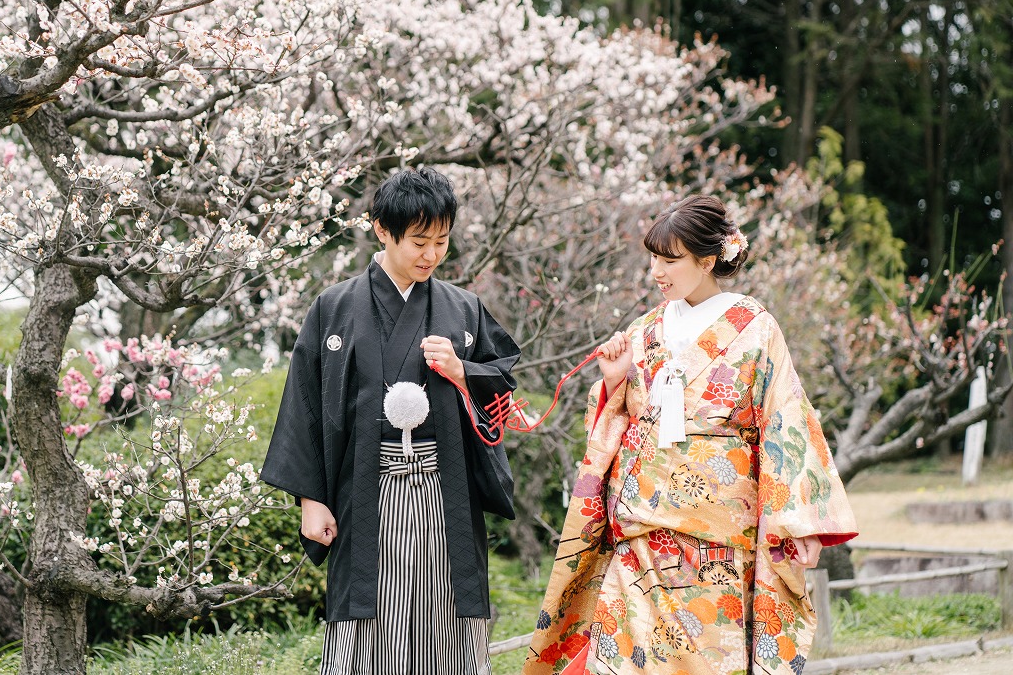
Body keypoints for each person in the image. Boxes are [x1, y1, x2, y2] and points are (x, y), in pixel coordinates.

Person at [524, 195, 857, 675]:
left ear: (707, 260)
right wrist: (614, 382)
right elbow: (612, 420)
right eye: (654, 258)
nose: (657, 271)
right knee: (620, 658)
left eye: (670, 259)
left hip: (716, 531)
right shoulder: (644, 331)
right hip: (640, 523)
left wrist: (797, 524)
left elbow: (786, 420)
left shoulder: (755, 328)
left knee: (705, 660)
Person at [261, 166, 521, 675]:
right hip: (365, 491)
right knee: (368, 621)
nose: (431, 255)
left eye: (441, 242)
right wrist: (311, 503)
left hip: (445, 492)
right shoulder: (332, 309)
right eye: (419, 242)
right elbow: (304, 406)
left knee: (448, 619)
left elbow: (502, 379)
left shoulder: (462, 309)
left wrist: (462, 370)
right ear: (381, 230)